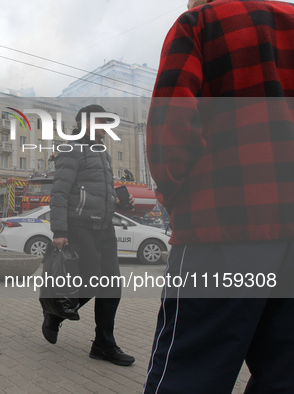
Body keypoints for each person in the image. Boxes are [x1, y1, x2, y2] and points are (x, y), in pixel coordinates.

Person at [144, 0, 294, 392]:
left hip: (224, 227)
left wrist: (175, 197)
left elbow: (170, 123)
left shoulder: (201, 23)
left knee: (189, 370)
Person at [43, 104, 135, 367]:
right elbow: (60, 192)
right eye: (102, 124)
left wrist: (116, 199)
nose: (106, 131)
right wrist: (59, 230)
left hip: (104, 227)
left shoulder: (102, 152)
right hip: (79, 227)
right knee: (91, 284)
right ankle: (55, 313)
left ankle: (103, 344)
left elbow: (94, 189)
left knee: (112, 287)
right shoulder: (71, 148)